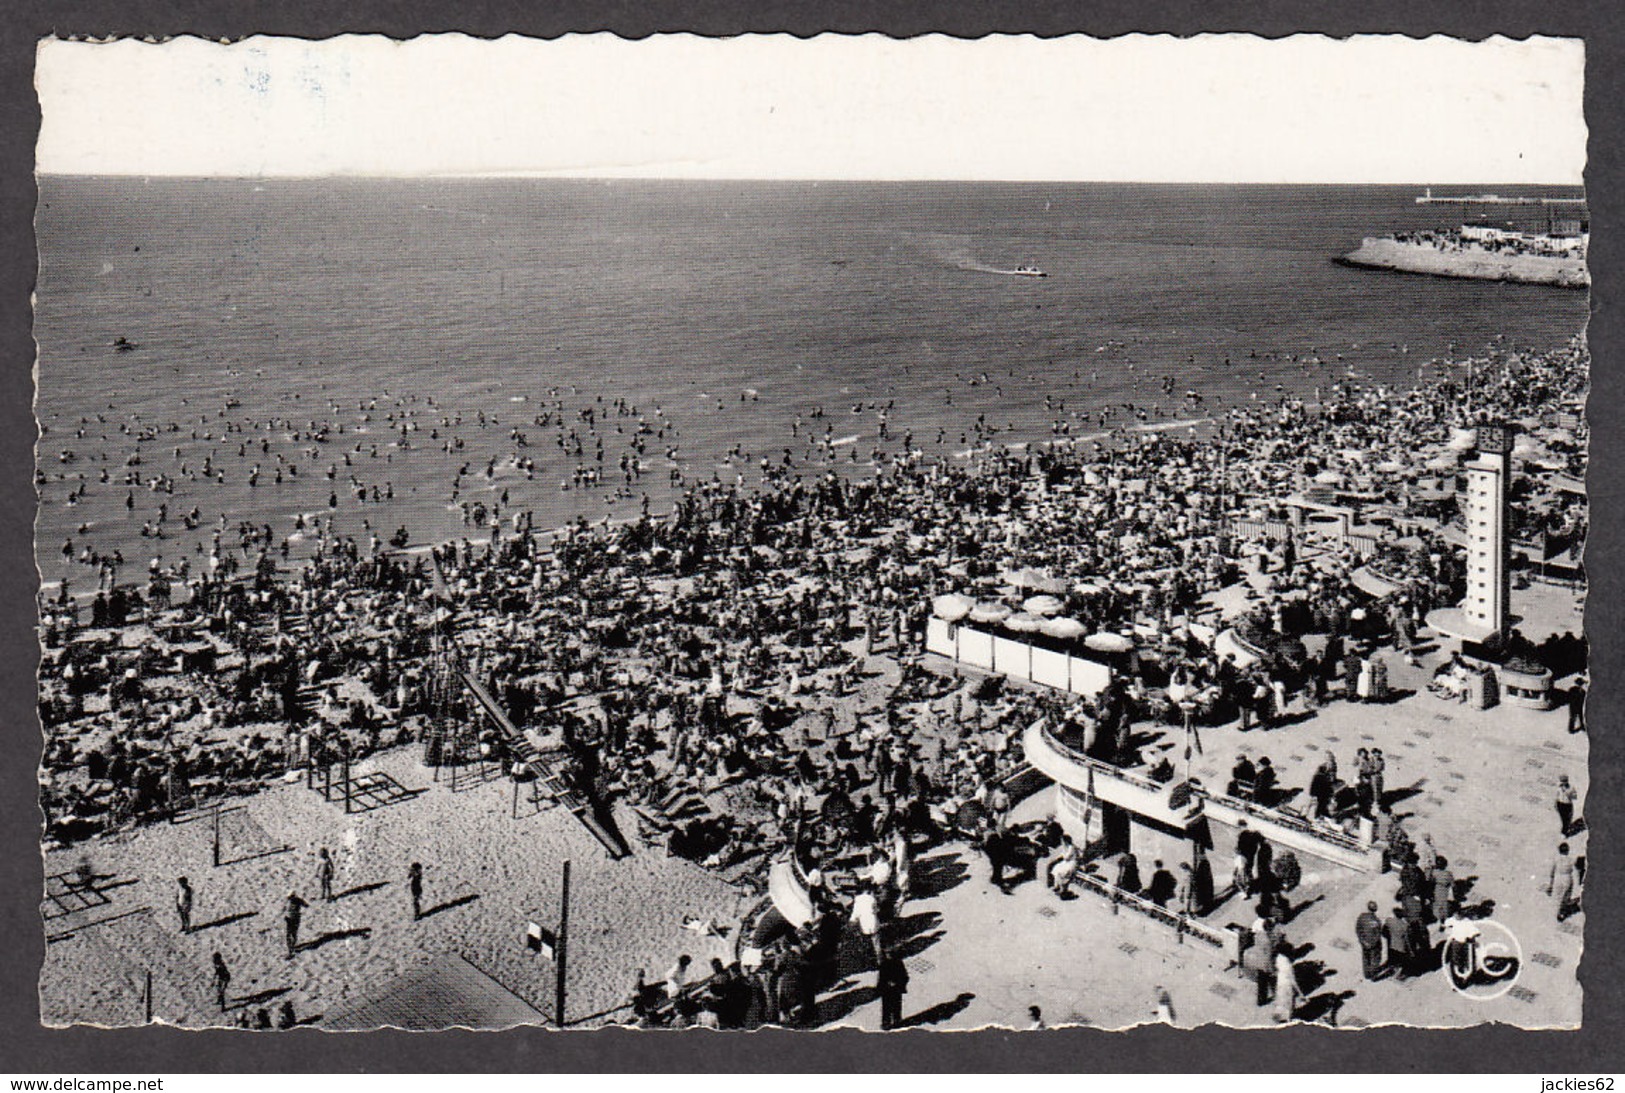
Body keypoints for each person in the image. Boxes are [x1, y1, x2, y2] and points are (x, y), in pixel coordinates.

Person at [1546, 842, 1581, 921]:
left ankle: (1556, 913)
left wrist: (1551, 883)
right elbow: (1575, 872)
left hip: (1558, 878)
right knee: (1566, 896)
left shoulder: (1556, 859)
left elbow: (1552, 872)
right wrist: (1577, 883)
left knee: (1557, 896)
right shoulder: (1570, 860)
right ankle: (1562, 912)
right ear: (1567, 851)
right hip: (1567, 878)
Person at [876, 949, 909, 1031]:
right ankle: (886, 1023)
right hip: (886, 989)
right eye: (887, 954)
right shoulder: (884, 964)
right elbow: (881, 978)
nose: (888, 955)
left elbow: (905, 976)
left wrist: (896, 983)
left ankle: (897, 1021)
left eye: (889, 953)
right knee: (886, 1007)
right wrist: (882, 986)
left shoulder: (898, 963)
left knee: (896, 1006)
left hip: (896, 989)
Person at [1355, 901, 1385, 980]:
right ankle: (1373, 975)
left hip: (1364, 943)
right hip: (1373, 944)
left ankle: (1366, 974)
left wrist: (1362, 941)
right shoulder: (1377, 921)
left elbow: (1358, 929)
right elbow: (1378, 934)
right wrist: (1373, 943)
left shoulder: (1362, 917)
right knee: (1374, 959)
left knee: (1366, 958)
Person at [1272, 950, 1300, 1024]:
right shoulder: (1284, 962)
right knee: (1285, 1001)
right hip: (1285, 985)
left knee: (1284, 1001)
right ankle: (1283, 1018)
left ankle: (1282, 1017)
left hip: (1283, 984)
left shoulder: (1281, 960)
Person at [1431, 855, 1456, 924]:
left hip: (1437, 889)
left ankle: (1438, 918)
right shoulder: (1448, 873)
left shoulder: (1434, 872)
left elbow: (1431, 881)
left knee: (1437, 904)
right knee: (1443, 904)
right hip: (1445, 890)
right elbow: (1453, 884)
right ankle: (1443, 919)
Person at [283, 891, 307, 958]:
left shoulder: (297, 901)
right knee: (290, 934)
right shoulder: (295, 901)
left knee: (292, 934)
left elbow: (306, 905)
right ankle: (291, 948)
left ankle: (291, 949)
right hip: (291, 919)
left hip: (293, 919)